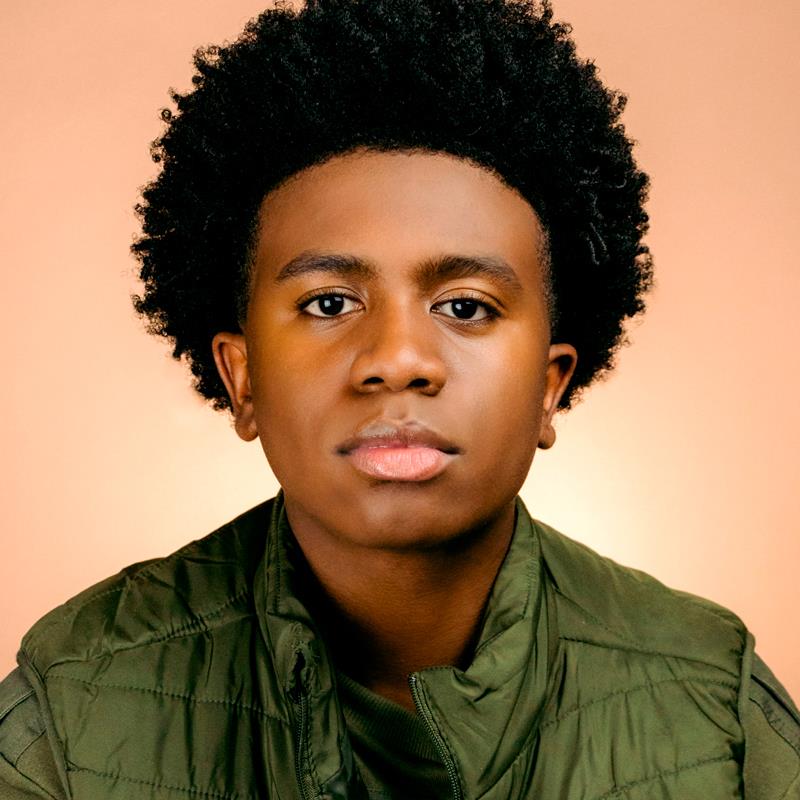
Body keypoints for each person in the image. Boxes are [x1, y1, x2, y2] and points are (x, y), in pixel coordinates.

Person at [1, 0, 797, 797]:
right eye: (329, 303)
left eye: (465, 306)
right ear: (242, 379)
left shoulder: (713, 707)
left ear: (550, 386)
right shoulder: (73, 708)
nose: (398, 360)